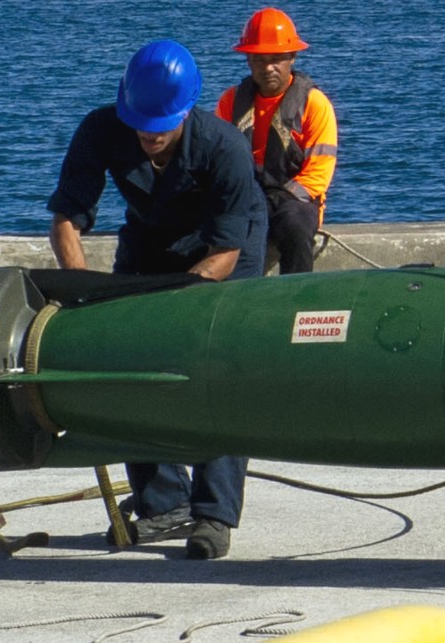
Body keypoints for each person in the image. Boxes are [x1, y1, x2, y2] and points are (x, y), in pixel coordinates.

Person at [48, 40, 267, 560]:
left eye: (161, 125)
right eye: (141, 123)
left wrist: (178, 308)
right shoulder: (100, 129)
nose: (149, 135)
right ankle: (163, 503)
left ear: (187, 109)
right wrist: (82, 290)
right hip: (149, 238)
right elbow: (65, 217)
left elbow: (225, 253)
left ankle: (213, 514)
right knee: (126, 363)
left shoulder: (224, 149)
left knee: (219, 368)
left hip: (226, 248)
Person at [216, 7, 337, 275]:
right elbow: (218, 162)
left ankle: (296, 297)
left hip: (294, 203)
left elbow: (317, 176)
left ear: (292, 57)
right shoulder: (230, 103)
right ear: (248, 60)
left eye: (276, 59)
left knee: (295, 227)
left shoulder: (314, 104)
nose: (268, 67)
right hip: (246, 195)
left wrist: (272, 202)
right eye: (259, 59)